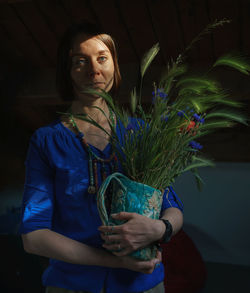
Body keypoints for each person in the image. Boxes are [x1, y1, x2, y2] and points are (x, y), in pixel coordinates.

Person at [19, 22, 184, 293]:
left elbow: (172, 207)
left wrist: (159, 229)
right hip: (72, 286)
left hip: (143, 285)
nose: (94, 69)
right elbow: (34, 236)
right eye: (80, 61)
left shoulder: (140, 133)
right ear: (67, 71)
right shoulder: (46, 141)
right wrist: (115, 262)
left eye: (102, 58)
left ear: (114, 66)